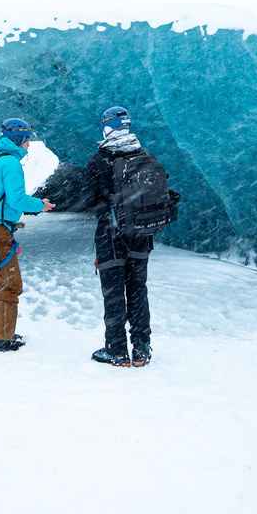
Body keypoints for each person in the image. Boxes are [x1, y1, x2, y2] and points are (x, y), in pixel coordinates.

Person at [85, 106, 177, 368]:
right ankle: (142, 349)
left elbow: (92, 201)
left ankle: (117, 351)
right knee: (138, 289)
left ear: (107, 127)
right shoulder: (143, 154)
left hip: (111, 235)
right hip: (140, 235)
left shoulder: (100, 160)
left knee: (114, 292)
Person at [0, 118, 53, 354]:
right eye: (27, 139)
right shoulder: (10, 163)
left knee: (1, 280)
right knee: (11, 283)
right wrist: (40, 205)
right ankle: (3, 339)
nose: (29, 144)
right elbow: (17, 199)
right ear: (17, 139)